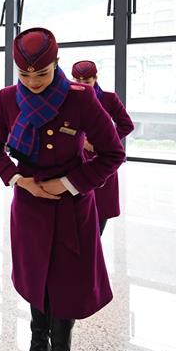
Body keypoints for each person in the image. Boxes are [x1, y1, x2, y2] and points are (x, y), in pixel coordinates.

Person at [0, 27, 125, 351]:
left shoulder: (80, 100)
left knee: (64, 283)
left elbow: (112, 153)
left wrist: (67, 184)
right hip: (29, 206)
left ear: (56, 65)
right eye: (24, 75)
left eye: (41, 75)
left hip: (71, 207)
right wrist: (17, 178)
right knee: (35, 278)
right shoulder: (8, 98)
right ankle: (37, 347)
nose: (31, 83)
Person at [71, 60, 135, 235]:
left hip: (102, 158)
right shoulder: (68, 98)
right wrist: (80, 140)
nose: (83, 85)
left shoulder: (109, 98)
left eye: (87, 81)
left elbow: (126, 125)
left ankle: (94, 252)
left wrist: (103, 142)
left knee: (100, 208)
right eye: (78, 81)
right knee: (75, 208)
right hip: (74, 159)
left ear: (95, 78)